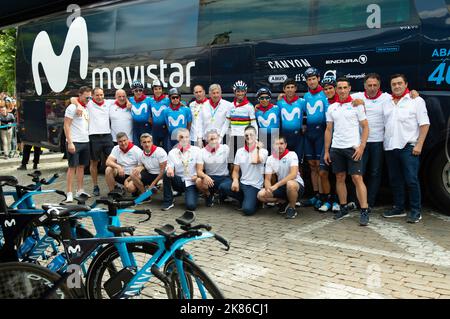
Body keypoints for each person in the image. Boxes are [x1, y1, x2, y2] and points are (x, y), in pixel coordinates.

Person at [351, 73, 420, 209]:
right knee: (359, 174)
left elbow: (405, 96)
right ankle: (358, 201)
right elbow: (337, 97)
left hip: (379, 142)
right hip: (360, 143)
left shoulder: (387, 98)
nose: (372, 88)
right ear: (364, 85)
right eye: (369, 85)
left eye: (375, 85)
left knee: (375, 173)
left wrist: (413, 92)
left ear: (379, 85)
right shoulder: (356, 97)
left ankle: (369, 203)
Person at [382, 74, 430, 223]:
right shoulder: (386, 102)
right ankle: (399, 208)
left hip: (409, 147)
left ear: (406, 84)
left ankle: (416, 211)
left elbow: (424, 124)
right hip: (390, 147)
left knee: (411, 180)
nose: (396, 86)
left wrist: (419, 144)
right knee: (395, 180)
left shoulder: (416, 101)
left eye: (399, 83)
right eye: (393, 84)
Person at [324, 77, 370, 226]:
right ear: (336, 90)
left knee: (357, 178)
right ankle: (343, 208)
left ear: (350, 88)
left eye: (345, 88)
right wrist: (326, 151)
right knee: (339, 178)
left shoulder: (356, 104)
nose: (342, 90)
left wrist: (362, 146)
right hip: (336, 148)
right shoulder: (332, 107)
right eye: (340, 88)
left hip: (353, 148)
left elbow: (365, 127)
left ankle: (364, 210)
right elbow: (329, 129)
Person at [219, 125, 268, 216]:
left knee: (247, 210)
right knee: (222, 186)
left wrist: (257, 148)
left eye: (251, 135)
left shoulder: (263, 151)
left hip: (254, 186)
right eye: (246, 135)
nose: (249, 137)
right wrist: (235, 180)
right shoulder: (240, 151)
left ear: (256, 136)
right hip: (242, 183)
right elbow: (236, 170)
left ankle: (255, 201)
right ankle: (246, 199)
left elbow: (255, 161)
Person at [257, 136, 305, 219]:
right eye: (276, 144)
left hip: (296, 185)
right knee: (260, 195)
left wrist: (276, 185)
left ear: (285, 145)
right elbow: (267, 179)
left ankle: (292, 208)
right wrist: (268, 189)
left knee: (290, 184)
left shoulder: (292, 154)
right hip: (282, 187)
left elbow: (293, 174)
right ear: (273, 146)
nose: (279, 146)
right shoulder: (270, 158)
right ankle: (283, 202)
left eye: (281, 143)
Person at [302, 67, 329, 210]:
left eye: (313, 79)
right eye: (309, 79)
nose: (311, 81)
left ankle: (326, 196)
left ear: (318, 78)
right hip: (309, 134)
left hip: (321, 133)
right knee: (312, 165)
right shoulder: (306, 96)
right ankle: (316, 195)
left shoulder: (325, 93)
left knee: (321, 167)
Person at [63, 86, 92, 203]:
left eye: (89, 97)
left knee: (81, 167)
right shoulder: (72, 107)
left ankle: (80, 190)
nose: (88, 99)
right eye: (86, 97)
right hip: (74, 141)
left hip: (85, 141)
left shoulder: (86, 107)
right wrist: (70, 142)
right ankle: (69, 193)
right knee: (72, 167)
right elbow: (66, 125)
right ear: (79, 95)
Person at [162, 128, 201, 212]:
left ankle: (195, 194)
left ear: (189, 138)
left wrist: (197, 175)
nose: (184, 139)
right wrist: (169, 170)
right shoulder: (172, 152)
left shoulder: (197, 151)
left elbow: (202, 167)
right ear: (178, 139)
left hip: (191, 182)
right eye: (181, 137)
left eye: (186, 137)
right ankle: (168, 201)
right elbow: (169, 166)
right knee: (166, 174)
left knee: (191, 206)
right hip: (178, 181)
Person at [86, 87, 115, 196]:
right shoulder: (88, 104)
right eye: (97, 95)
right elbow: (73, 99)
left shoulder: (108, 103)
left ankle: (113, 185)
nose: (100, 97)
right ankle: (95, 186)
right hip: (94, 137)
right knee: (94, 162)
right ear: (92, 96)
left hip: (107, 136)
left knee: (112, 162)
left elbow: (121, 99)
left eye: (101, 95)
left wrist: (127, 103)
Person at [195, 129, 231, 207]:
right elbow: (199, 171)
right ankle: (208, 195)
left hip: (224, 177)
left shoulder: (225, 148)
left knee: (225, 187)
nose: (214, 141)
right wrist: (205, 176)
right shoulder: (202, 152)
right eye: (211, 139)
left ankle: (223, 195)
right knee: (198, 181)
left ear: (218, 138)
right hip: (210, 178)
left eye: (215, 138)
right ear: (207, 140)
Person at [277, 78, 306, 167]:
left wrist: (305, 125)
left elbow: (310, 114)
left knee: (298, 164)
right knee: (283, 163)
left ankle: (298, 181)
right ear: (284, 89)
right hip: (284, 137)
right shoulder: (280, 103)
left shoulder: (302, 102)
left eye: (292, 87)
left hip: (298, 138)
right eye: (288, 87)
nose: (290, 89)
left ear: (295, 89)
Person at [224, 80, 258, 156]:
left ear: (245, 92)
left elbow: (253, 123)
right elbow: (226, 123)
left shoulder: (249, 106)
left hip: (245, 137)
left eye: (242, 91)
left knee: (244, 161)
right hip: (233, 137)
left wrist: (256, 139)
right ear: (234, 92)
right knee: (232, 161)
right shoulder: (231, 106)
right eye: (238, 91)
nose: (240, 93)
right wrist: (220, 137)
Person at [254, 88, 280, 155]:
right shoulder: (255, 111)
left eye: (267, 98)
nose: (264, 100)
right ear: (258, 99)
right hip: (262, 136)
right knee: (263, 161)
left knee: (274, 161)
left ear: (270, 98)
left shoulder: (277, 108)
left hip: (275, 136)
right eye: (262, 98)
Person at [130, 80, 152, 146]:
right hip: (135, 127)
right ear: (132, 91)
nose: (138, 92)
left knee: (147, 147)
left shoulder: (148, 99)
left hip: (146, 127)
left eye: (140, 90)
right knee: (136, 148)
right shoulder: (130, 100)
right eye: (136, 91)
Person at [149, 80, 170, 149]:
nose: (158, 91)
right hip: (155, 129)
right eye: (155, 89)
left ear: (162, 89)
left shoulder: (167, 100)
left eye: (159, 89)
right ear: (153, 90)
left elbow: (179, 103)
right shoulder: (151, 101)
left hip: (165, 129)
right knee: (154, 150)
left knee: (167, 149)